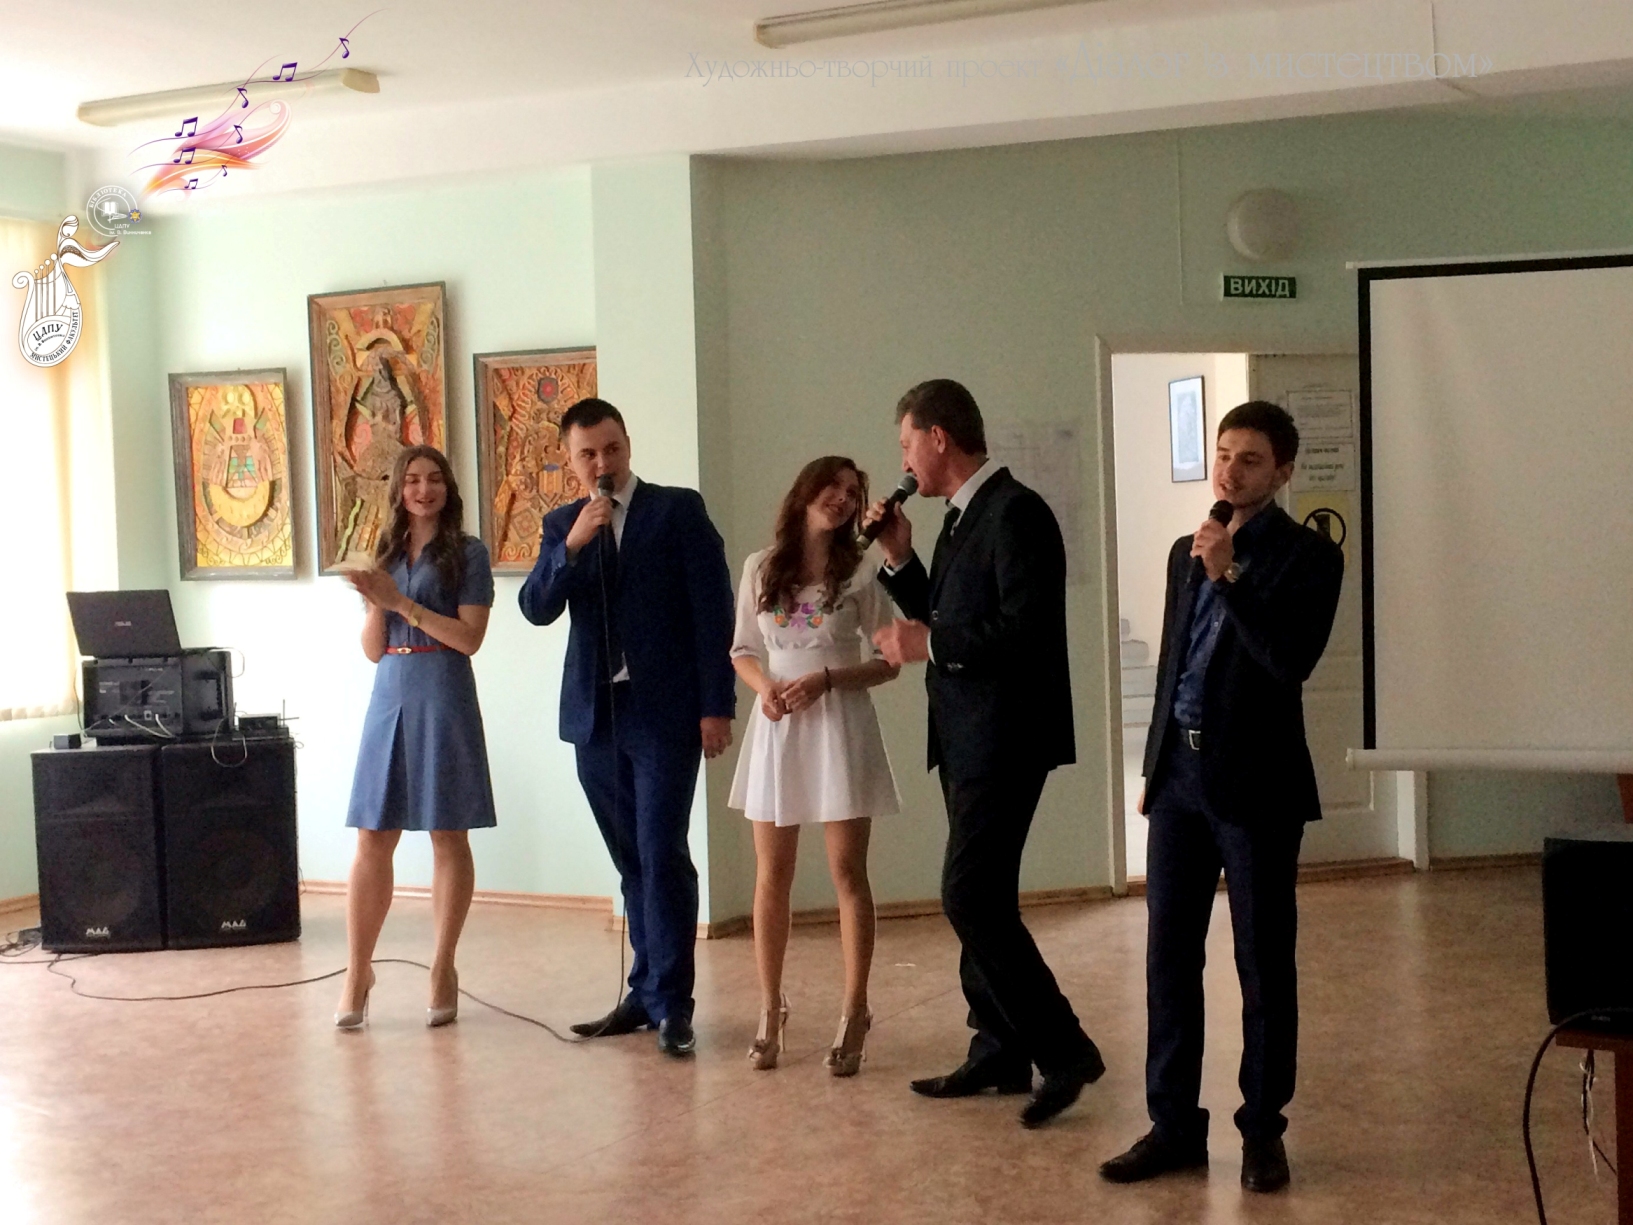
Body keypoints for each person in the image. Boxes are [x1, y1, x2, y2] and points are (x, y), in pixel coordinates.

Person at [1099, 401, 1343, 1195]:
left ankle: (1262, 1129)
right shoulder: (1188, 548)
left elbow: (1286, 660)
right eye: (1223, 453)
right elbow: (1175, 663)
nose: (1230, 471)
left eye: (1249, 459)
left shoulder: (1309, 557)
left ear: (1282, 471)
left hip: (1256, 784)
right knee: (1168, 957)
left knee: (1261, 961)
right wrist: (1152, 765)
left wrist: (1228, 575)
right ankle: (1172, 1124)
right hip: (1178, 778)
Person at [868, 378, 1104, 1129]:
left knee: (968, 895)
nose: (903, 461)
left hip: (1007, 736)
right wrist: (900, 560)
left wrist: (927, 643)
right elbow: (945, 614)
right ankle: (999, 1047)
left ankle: (1064, 1049)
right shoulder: (962, 516)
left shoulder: (1016, 512)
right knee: (984, 896)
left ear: (938, 438)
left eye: (907, 443)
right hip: (967, 735)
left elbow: (1022, 632)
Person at [518, 397, 736, 1058]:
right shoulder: (563, 523)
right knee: (630, 858)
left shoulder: (677, 510)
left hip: (664, 712)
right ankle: (643, 992)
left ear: (627, 445)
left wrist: (716, 706)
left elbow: (713, 611)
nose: (602, 462)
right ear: (570, 460)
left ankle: (673, 1004)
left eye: (611, 448)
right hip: (596, 716)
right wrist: (572, 548)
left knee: (660, 850)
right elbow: (535, 607)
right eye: (587, 454)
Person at [729, 456, 903, 1076]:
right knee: (771, 874)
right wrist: (765, 690)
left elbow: (889, 661)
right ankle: (770, 1006)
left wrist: (828, 680)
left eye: (853, 493)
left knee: (847, 873)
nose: (843, 498)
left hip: (839, 727)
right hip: (777, 728)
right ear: (805, 492)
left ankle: (855, 1009)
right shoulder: (760, 567)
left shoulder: (861, 572)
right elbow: (743, 650)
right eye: (833, 486)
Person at [335, 445, 497, 1030]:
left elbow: (470, 638)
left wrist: (400, 601)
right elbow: (372, 649)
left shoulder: (468, 553)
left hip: (443, 688)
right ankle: (358, 972)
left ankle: (442, 965)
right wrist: (376, 602)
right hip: (391, 690)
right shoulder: (382, 552)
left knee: (447, 833)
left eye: (433, 479)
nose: (423, 490)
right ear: (398, 491)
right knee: (372, 834)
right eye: (411, 481)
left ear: (448, 488)